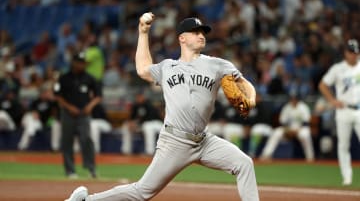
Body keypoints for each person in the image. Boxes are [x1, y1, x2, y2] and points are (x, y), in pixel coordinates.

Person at [65, 13, 259, 201]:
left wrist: (249, 95)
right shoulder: (167, 67)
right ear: (182, 38)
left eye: (203, 32)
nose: (201, 35)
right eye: (195, 32)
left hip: (204, 141)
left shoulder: (218, 65)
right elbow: (142, 69)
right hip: (175, 141)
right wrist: (143, 32)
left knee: (244, 163)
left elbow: (245, 86)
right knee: (142, 192)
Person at [318, 39, 360, 186]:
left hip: (359, 110)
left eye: (355, 52)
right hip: (343, 110)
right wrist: (332, 100)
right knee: (343, 145)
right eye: (351, 52)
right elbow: (323, 85)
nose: (353, 55)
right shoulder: (338, 68)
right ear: (346, 53)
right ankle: (347, 177)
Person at [54, 51, 102, 179]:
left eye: (84, 63)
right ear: (74, 63)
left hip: (84, 113)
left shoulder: (89, 78)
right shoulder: (63, 78)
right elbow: (57, 96)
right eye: (80, 63)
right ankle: (70, 171)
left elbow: (98, 96)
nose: (82, 65)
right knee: (67, 141)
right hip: (67, 114)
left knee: (86, 139)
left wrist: (89, 106)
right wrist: (69, 107)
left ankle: (91, 168)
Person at [260, 90, 314, 162]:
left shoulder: (303, 107)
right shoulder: (287, 107)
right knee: (276, 133)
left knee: (305, 135)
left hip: (300, 129)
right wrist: (287, 130)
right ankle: (266, 155)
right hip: (288, 129)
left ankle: (310, 158)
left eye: (295, 98)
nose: (293, 100)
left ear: (298, 98)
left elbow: (306, 122)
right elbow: (282, 122)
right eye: (292, 98)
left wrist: (297, 130)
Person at [119, 91, 163, 155]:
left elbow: (148, 118)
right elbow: (132, 118)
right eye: (138, 97)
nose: (139, 98)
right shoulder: (135, 106)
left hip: (156, 123)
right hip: (143, 125)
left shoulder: (149, 104)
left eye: (141, 96)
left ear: (144, 97)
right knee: (126, 126)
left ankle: (149, 152)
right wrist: (131, 123)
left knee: (148, 127)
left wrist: (136, 124)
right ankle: (126, 150)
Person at [18, 83, 59, 150]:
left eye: (45, 92)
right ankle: (22, 146)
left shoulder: (51, 102)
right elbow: (30, 111)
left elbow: (54, 114)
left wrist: (49, 122)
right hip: (37, 122)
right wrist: (34, 112)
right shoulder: (36, 102)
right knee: (30, 121)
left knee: (56, 124)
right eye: (42, 92)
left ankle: (55, 147)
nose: (44, 94)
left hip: (47, 121)